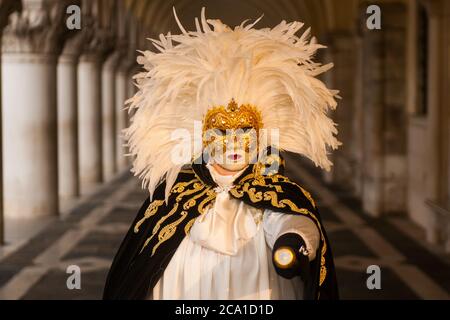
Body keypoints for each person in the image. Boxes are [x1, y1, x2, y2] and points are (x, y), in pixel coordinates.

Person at [103, 7, 340, 300]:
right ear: (203, 139)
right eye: (222, 134)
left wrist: (292, 241)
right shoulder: (175, 195)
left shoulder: (275, 189)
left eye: (244, 134)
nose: (234, 145)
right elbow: (141, 261)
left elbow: (286, 218)